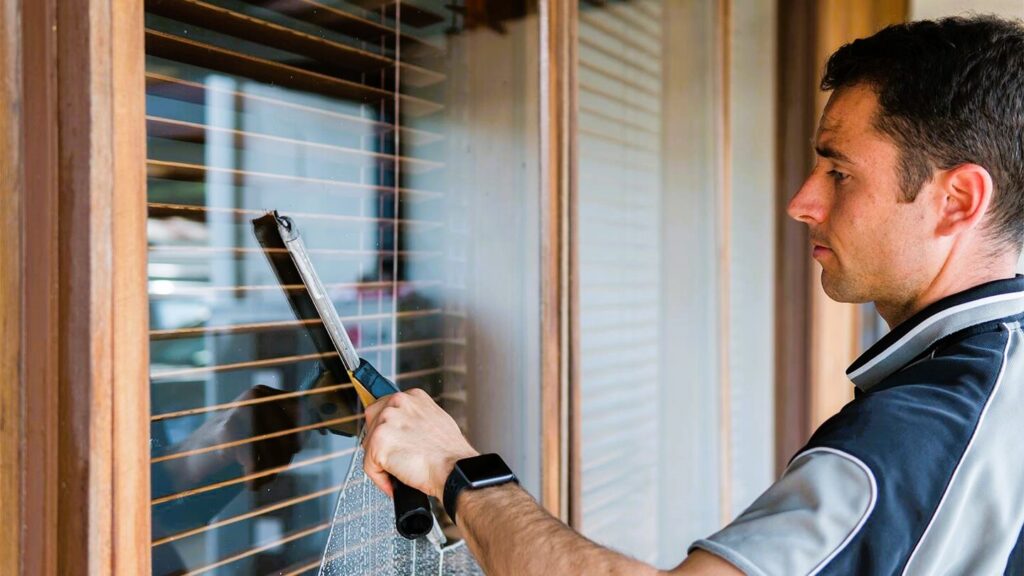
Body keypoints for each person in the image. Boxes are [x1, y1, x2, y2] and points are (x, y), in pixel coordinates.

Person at [361, 15, 1024, 575]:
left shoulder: (922, 432)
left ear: (957, 199)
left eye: (838, 171)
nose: (802, 202)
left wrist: (454, 468)